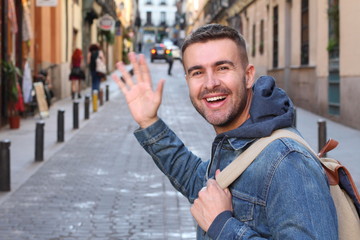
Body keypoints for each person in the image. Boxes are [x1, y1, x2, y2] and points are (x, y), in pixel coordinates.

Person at [112, 24, 337, 239]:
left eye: (222, 68)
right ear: (188, 80)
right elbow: (198, 182)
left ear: (248, 75)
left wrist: (222, 226)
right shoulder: (240, 141)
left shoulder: (287, 162)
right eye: (197, 72)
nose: (210, 83)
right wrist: (149, 122)